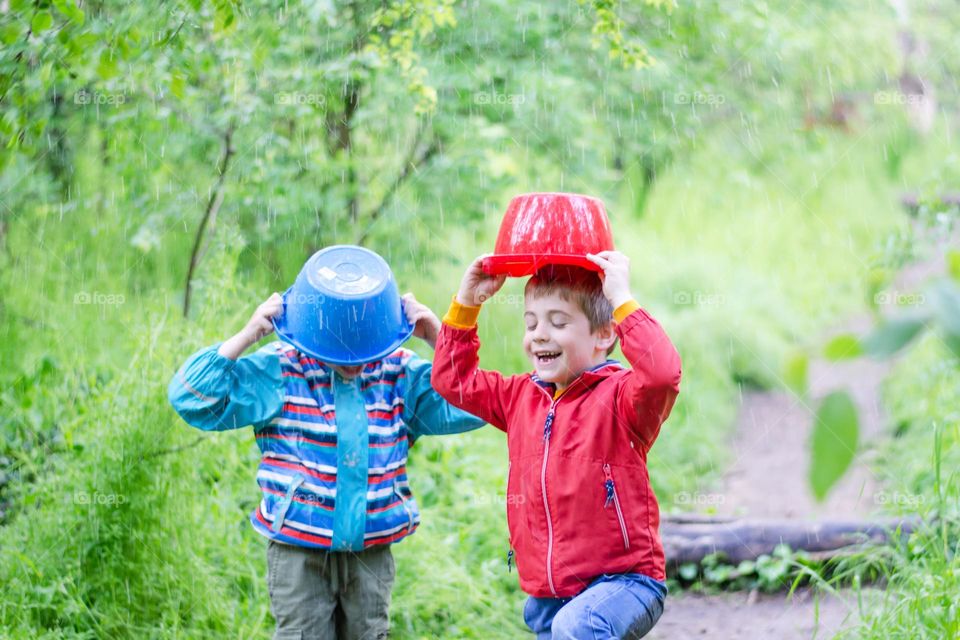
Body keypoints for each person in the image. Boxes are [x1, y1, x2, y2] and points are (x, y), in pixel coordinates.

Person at [168, 246, 485, 640]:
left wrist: (440, 339)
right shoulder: (282, 370)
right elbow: (189, 396)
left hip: (370, 553)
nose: (353, 363)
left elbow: (477, 404)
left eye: (364, 350)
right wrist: (247, 335)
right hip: (299, 553)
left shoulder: (398, 373)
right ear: (312, 330)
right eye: (338, 350)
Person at [431, 250, 682, 639]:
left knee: (579, 625)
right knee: (569, 624)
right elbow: (453, 380)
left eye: (558, 322)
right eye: (530, 324)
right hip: (549, 599)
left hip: (625, 583)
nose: (539, 335)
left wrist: (621, 300)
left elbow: (662, 374)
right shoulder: (519, 398)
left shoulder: (621, 400)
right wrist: (468, 303)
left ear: (603, 334)